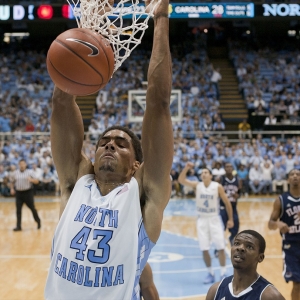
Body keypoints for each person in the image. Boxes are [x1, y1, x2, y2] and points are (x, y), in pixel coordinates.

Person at [44, 0, 173, 298]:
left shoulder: (143, 196)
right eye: (103, 142)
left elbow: (158, 103)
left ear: (136, 167)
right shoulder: (76, 182)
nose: (110, 144)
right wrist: (86, 35)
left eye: (121, 143)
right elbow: (62, 101)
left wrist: (161, 18)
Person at [178, 162, 234, 284]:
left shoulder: (217, 186)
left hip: (214, 218)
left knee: (220, 247)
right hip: (202, 219)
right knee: (204, 248)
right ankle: (210, 273)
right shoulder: (197, 185)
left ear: (210, 176)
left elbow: (227, 203)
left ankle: (223, 273)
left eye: (205, 172)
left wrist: (230, 219)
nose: (203, 174)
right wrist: (186, 167)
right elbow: (181, 180)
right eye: (202, 172)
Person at [205, 230, 285, 300]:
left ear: (260, 257)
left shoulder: (269, 296)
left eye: (249, 246)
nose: (240, 248)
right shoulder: (215, 290)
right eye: (236, 243)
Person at [268, 169, 300, 300]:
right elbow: (270, 224)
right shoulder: (280, 200)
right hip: (290, 247)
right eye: (292, 174)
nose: (295, 176)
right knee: (297, 284)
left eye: (298, 174)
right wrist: (278, 224)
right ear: (288, 179)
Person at [10, 159, 41, 231]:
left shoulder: (30, 172)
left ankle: (38, 221)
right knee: (18, 210)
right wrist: (12, 189)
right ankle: (18, 226)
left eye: (23, 164)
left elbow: (37, 181)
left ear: (25, 165)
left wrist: (31, 180)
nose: (22, 165)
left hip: (28, 193)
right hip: (19, 193)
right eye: (20, 164)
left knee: (32, 208)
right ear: (19, 165)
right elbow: (12, 182)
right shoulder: (15, 173)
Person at [220, 162, 240, 246]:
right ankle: (219, 246)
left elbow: (239, 194)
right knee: (221, 227)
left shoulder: (237, 180)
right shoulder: (220, 179)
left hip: (233, 207)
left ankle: (232, 238)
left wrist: (237, 195)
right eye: (227, 167)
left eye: (230, 167)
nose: (229, 168)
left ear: (232, 169)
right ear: (224, 169)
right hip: (223, 207)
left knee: (236, 225)